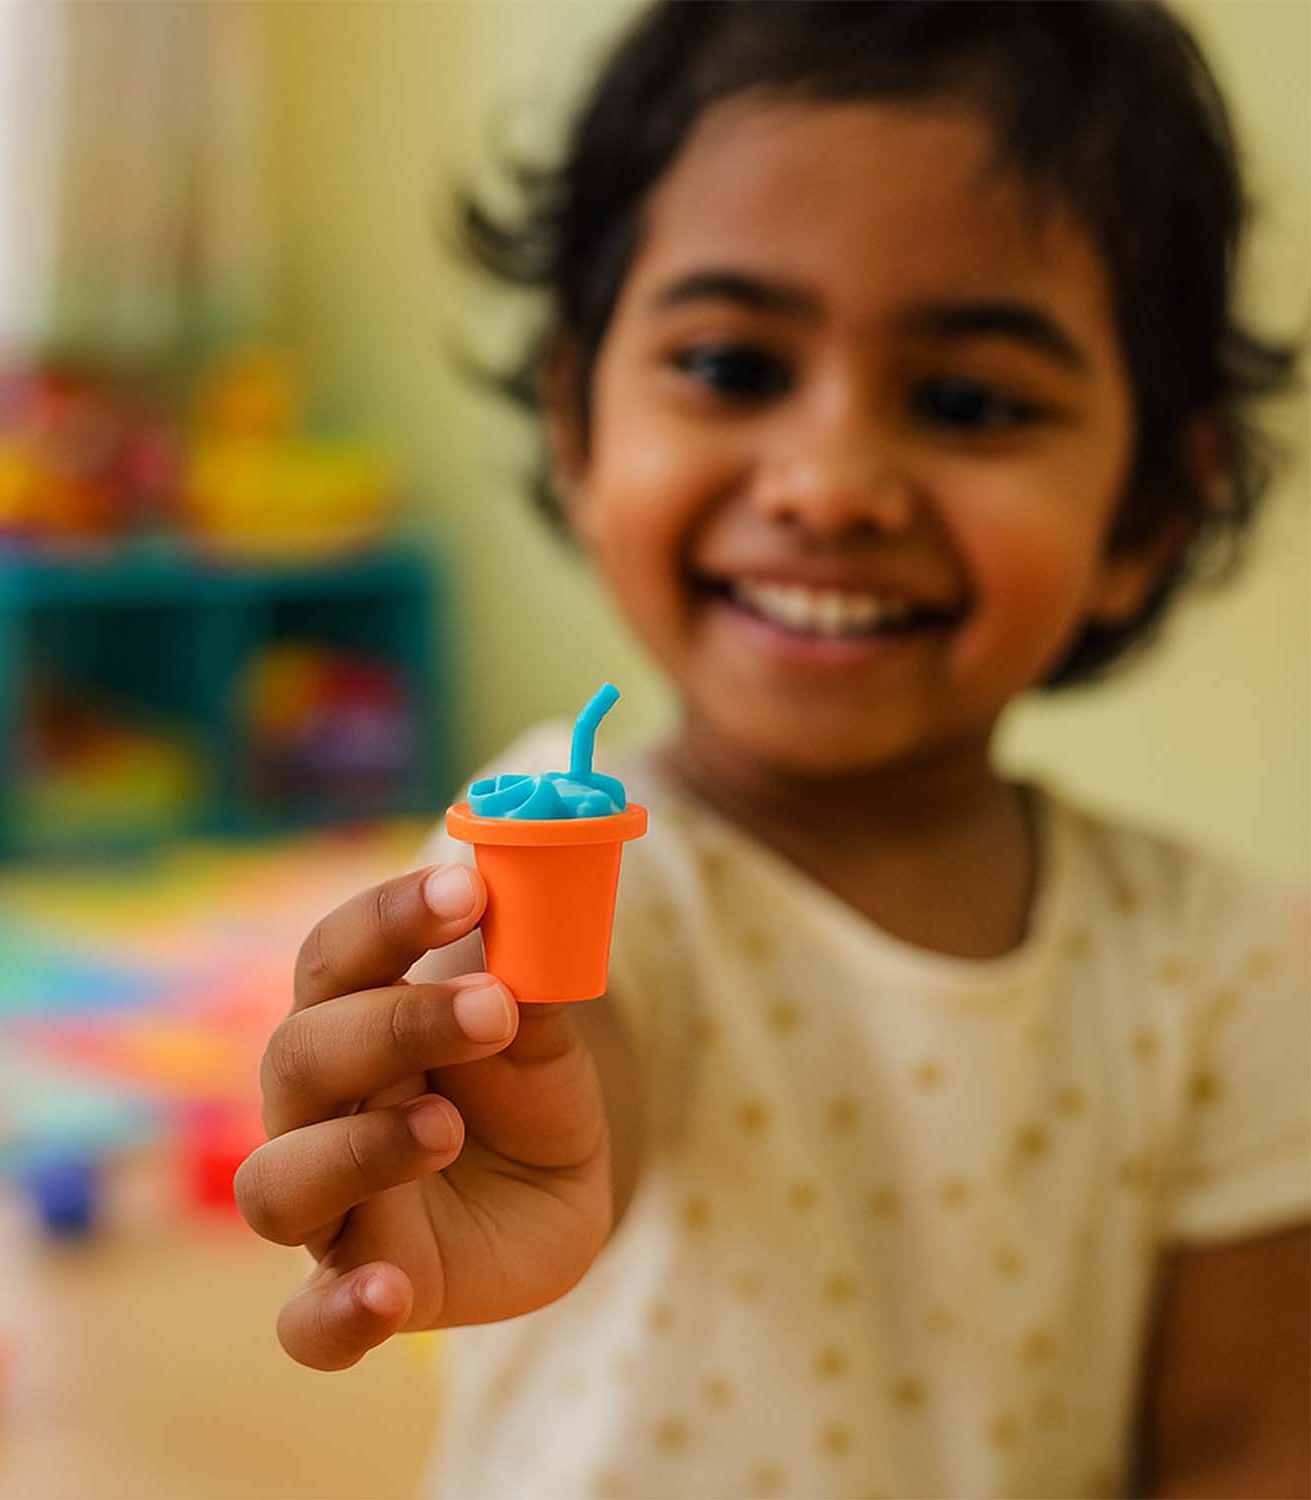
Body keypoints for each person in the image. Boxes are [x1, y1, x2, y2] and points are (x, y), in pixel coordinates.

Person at [235, 4, 1310, 1495]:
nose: (828, 485)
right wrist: (468, 1121)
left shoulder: (1227, 967)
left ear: (1145, 514)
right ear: (576, 420)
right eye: (735, 368)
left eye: (968, 401)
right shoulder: (564, 846)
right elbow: (563, 1062)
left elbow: (1247, 1443)